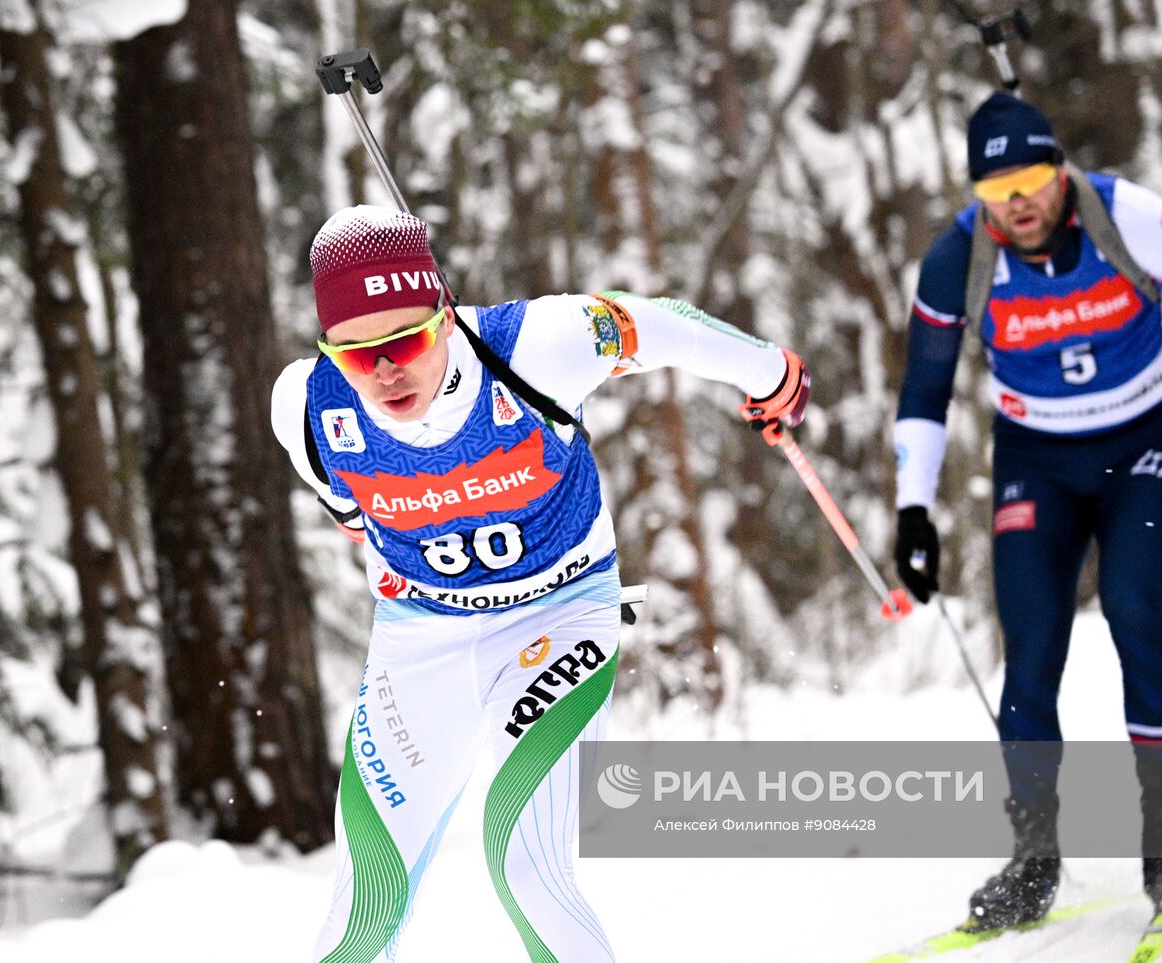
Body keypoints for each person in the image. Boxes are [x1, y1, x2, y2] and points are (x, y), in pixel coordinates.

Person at [271, 205, 810, 962]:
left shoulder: (536, 347)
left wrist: (770, 372)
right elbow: (358, 521)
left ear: (445, 315)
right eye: (358, 355)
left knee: (522, 859)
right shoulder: (307, 409)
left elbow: (657, 324)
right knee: (365, 907)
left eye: (406, 340)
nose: (386, 370)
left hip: (558, 615)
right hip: (420, 641)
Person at [890, 92, 1162, 927]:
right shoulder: (959, 259)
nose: (1015, 202)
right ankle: (1035, 857)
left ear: (1059, 169)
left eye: (1029, 179)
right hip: (1037, 461)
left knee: (1132, 608)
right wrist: (914, 510)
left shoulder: (1132, 219)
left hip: (1146, 445)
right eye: (994, 190)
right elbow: (925, 391)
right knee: (1031, 647)